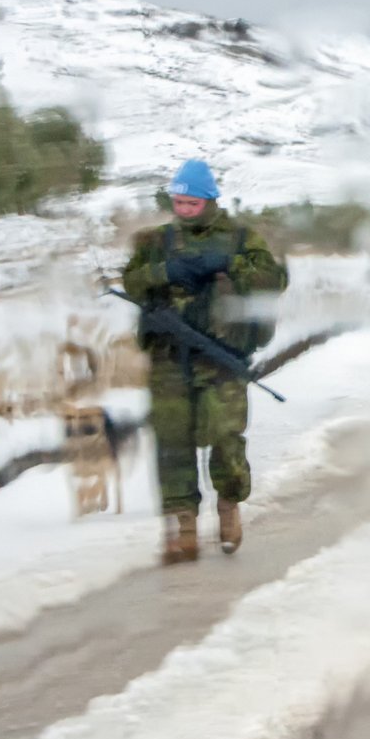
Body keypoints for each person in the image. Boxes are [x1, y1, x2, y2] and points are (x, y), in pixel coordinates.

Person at [122, 159, 286, 563]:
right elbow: (132, 281)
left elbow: (273, 280)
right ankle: (183, 529)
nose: (184, 209)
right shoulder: (155, 241)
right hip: (168, 361)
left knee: (228, 439)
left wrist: (229, 263)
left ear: (210, 200)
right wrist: (167, 270)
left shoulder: (241, 238)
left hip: (222, 360)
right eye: (178, 202)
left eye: (192, 203)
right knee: (172, 444)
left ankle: (229, 507)